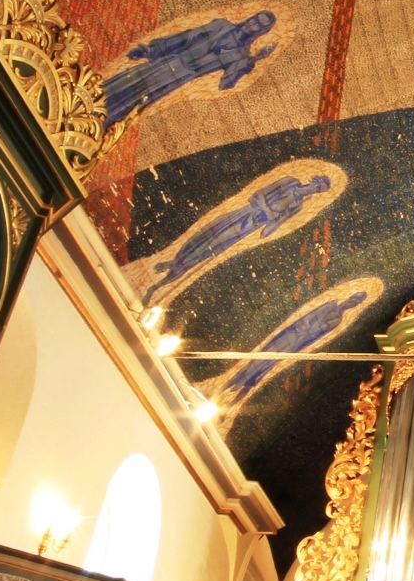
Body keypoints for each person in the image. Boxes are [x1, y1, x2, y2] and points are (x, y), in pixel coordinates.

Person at [144, 174, 331, 303]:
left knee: (212, 249)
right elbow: (258, 196)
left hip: (248, 228)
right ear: (313, 181)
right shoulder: (290, 182)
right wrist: (268, 212)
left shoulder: (298, 206)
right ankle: (173, 261)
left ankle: (161, 283)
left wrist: (271, 227)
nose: (314, 190)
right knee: (207, 235)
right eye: (317, 186)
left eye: (318, 190)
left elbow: (277, 223)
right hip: (242, 215)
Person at [102, 10, 277, 126]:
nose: (253, 24)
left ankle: (103, 122)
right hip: (169, 60)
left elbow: (225, 83)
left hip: (180, 75)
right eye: (255, 19)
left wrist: (253, 60)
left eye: (259, 25)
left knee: (137, 100)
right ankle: (95, 99)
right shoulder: (221, 25)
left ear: (262, 32)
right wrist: (152, 49)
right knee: (127, 82)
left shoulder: (241, 55)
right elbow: (186, 37)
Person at [211, 291, 370, 412]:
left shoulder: (338, 320)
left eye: (356, 302)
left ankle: (229, 407)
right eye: (354, 298)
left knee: (260, 373)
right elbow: (307, 318)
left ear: (355, 306)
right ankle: (217, 393)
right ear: (350, 297)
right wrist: (305, 330)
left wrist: (301, 344)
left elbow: (316, 337)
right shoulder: (330, 304)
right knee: (254, 364)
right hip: (290, 336)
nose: (352, 302)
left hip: (295, 345)